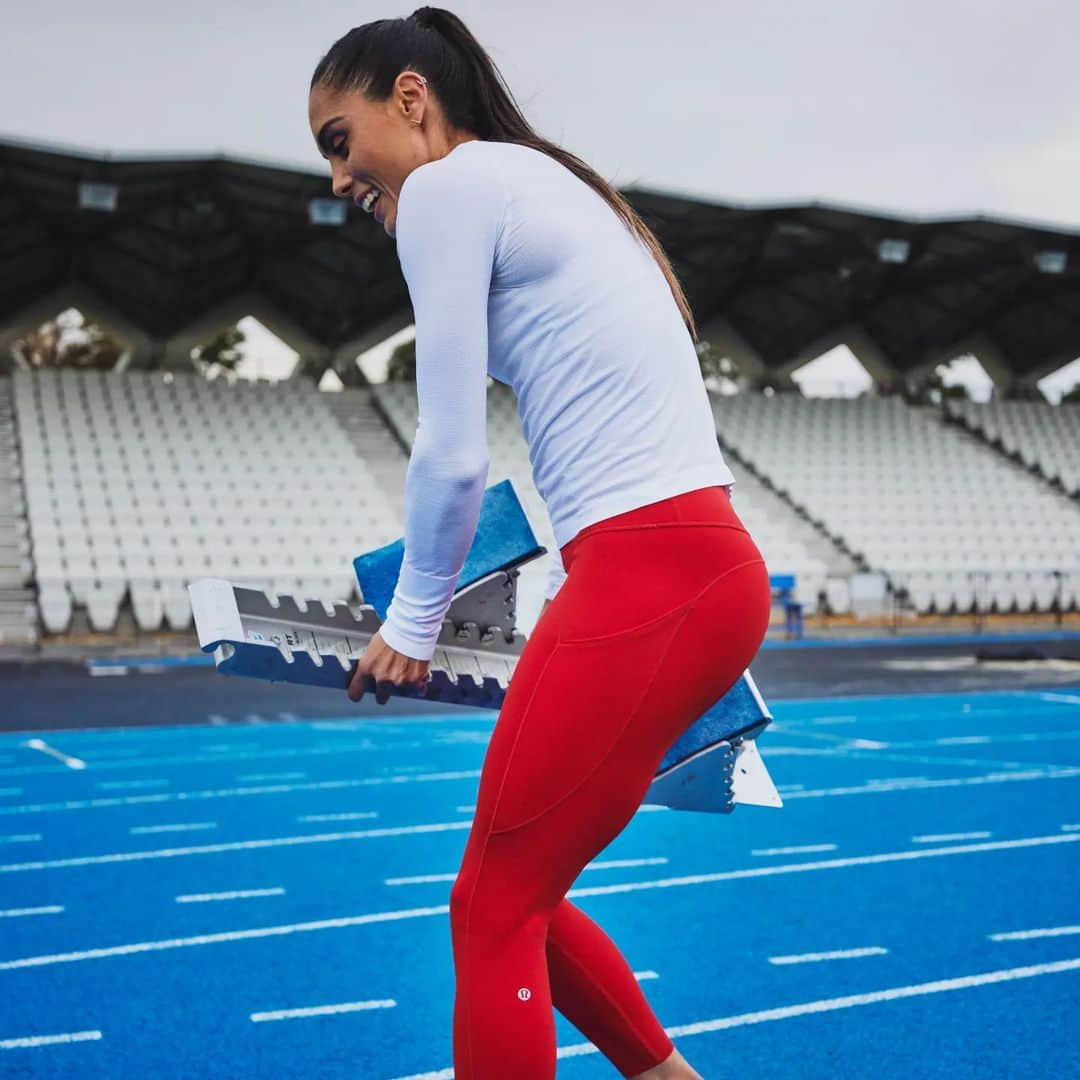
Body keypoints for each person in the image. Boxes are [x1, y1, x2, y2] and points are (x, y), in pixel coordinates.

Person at [309, 8, 772, 1077]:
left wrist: (416, 615)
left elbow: (455, 452)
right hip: (686, 562)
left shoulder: (449, 190)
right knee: (519, 890)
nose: (337, 178)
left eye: (341, 140)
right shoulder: (544, 183)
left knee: (491, 908)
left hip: (652, 572)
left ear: (411, 99)